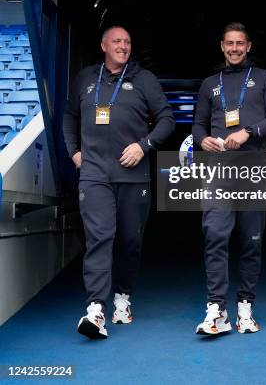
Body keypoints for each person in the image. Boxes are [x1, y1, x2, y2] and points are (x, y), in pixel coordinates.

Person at [63, 26, 175, 339]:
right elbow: (69, 116)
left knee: (130, 241)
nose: (123, 46)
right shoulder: (85, 78)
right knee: (100, 238)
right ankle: (95, 309)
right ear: (103, 45)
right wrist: (73, 151)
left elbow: (166, 119)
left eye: (127, 41)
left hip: (133, 175)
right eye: (117, 41)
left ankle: (122, 296)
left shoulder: (145, 80)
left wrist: (145, 145)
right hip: (95, 173)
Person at [192, 22, 266, 335]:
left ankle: (245, 308)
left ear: (248, 47)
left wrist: (249, 131)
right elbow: (198, 126)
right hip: (218, 170)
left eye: (240, 43)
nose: (234, 48)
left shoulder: (264, 78)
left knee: (250, 239)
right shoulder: (209, 83)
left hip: (253, 168)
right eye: (229, 43)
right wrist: (202, 140)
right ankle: (216, 309)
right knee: (215, 235)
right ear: (222, 45)